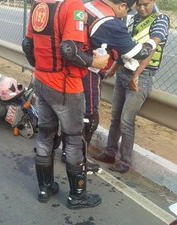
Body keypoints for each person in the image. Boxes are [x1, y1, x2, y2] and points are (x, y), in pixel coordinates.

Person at [22, 0, 109, 209]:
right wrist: (94, 62)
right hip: (65, 86)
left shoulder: (39, 5)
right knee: (73, 140)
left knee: (45, 134)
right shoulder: (72, 5)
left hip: (41, 80)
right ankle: (77, 197)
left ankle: (45, 188)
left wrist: (41, 66)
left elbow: (27, 44)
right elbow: (70, 50)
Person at [61, 0, 155, 164]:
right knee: (89, 116)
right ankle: (77, 158)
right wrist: (154, 40)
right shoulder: (110, 23)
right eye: (127, 11)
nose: (126, 15)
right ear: (122, 6)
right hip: (87, 70)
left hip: (68, 64)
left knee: (71, 111)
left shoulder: (89, 5)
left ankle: (66, 151)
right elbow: (140, 52)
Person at [93, 0, 170, 173]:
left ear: (154, 1)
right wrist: (113, 70)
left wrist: (136, 76)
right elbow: (125, 47)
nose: (142, 8)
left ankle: (125, 161)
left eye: (146, 4)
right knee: (115, 117)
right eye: (139, 5)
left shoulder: (160, 19)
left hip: (141, 76)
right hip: (123, 73)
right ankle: (110, 152)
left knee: (126, 121)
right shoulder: (133, 19)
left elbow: (151, 47)